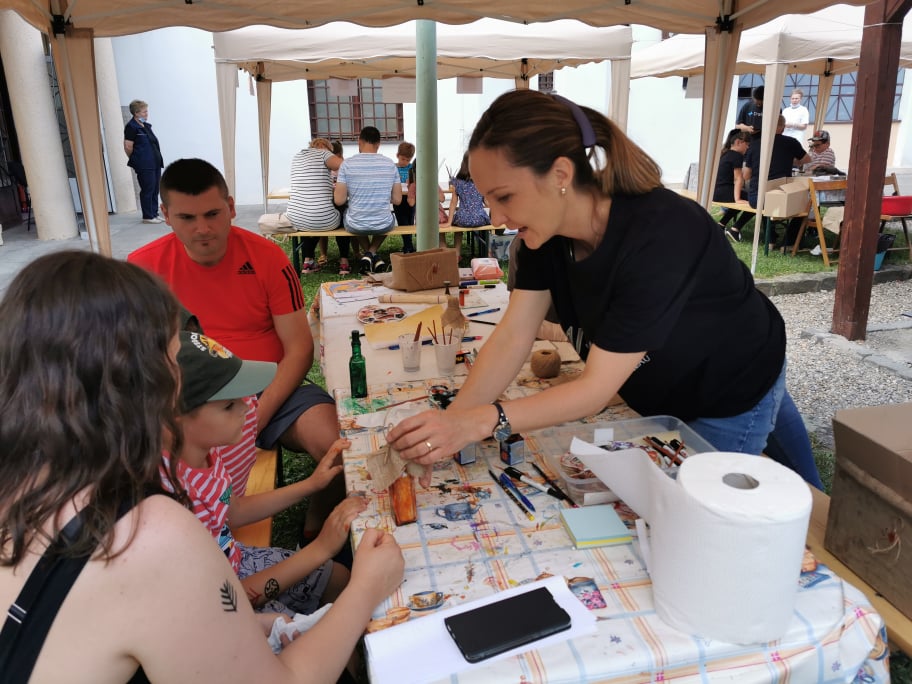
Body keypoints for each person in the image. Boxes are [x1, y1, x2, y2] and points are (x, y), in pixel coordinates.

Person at [0, 250, 404, 683]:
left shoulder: (27, 483)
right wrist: (365, 589)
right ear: (143, 385)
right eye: (173, 354)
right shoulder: (151, 532)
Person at [386, 90, 808, 487]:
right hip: (669, 389)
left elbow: (594, 389)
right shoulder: (544, 238)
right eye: (488, 199)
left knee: (724, 509)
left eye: (505, 197)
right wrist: (451, 424)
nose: (496, 218)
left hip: (730, 389)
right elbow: (514, 335)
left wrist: (480, 421)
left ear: (560, 175)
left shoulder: (659, 230)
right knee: (801, 490)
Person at [128, 158, 341, 540]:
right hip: (190, 399)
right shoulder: (142, 269)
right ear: (166, 215)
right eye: (187, 217)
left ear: (230, 207)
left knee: (338, 447)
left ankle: (316, 529)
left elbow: (298, 349)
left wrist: (254, 417)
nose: (203, 228)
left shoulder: (268, 257)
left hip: (268, 386)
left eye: (212, 214)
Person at [170, 330, 367, 616]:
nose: (248, 407)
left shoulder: (204, 451)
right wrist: (320, 548)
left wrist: (311, 484)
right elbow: (232, 602)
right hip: (222, 607)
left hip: (235, 560)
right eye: (229, 405)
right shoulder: (174, 503)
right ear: (178, 421)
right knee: (297, 629)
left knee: (339, 579)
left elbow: (233, 510)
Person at [334, 126, 402, 274]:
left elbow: (339, 200)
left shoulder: (346, 164)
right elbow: (397, 200)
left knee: (354, 216)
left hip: (355, 224)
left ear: (359, 141)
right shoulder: (390, 164)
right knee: (387, 219)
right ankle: (373, 254)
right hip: (383, 224)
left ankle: (368, 254)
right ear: (378, 144)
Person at [286, 138, 352, 276]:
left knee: (310, 213)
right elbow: (344, 165)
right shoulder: (323, 153)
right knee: (342, 211)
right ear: (323, 146)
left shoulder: (297, 156)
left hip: (295, 220)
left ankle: (308, 261)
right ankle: (344, 262)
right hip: (322, 219)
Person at [743, 115, 811, 248]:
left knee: (766, 197)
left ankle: (771, 240)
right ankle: (788, 242)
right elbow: (807, 159)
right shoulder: (791, 142)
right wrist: (792, 161)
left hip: (756, 198)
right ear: (783, 128)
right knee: (806, 205)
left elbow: (746, 175)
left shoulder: (754, 144)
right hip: (781, 198)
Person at [123, 99, 164, 224]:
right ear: (136, 113)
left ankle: (154, 213)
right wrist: (136, 159)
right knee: (148, 188)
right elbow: (128, 146)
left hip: (155, 162)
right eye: (144, 112)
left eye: (146, 111)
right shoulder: (131, 127)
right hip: (144, 164)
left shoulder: (145, 125)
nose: (147, 114)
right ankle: (147, 216)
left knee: (155, 188)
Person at [712, 129, 753, 242]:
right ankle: (735, 229)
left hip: (715, 192)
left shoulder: (724, 153)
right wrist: (737, 199)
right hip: (724, 193)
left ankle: (721, 225)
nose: (748, 147)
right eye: (747, 144)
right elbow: (738, 178)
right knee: (755, 202)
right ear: (739, 142)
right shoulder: (737, 156)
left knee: (743, 197)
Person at [448, 151, 491, 256]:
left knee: (458, 229)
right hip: (479, 218)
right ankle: (486, 252)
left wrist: (449, 222)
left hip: (462, 219)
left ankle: (457, 254)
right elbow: (487, 203)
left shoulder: (457, 182)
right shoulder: (482, 181)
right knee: (485, 224)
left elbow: (453, 203)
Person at [393, 141, 417, 253]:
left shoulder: (412, 168)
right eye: (403, 159)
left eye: (408, 160)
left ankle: (408, 245)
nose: (405, 162)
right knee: (402, 222)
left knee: (410, 221)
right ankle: (408, 246)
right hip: (398, 198)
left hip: (410, 197)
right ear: (397, 155)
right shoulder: (393, 168)